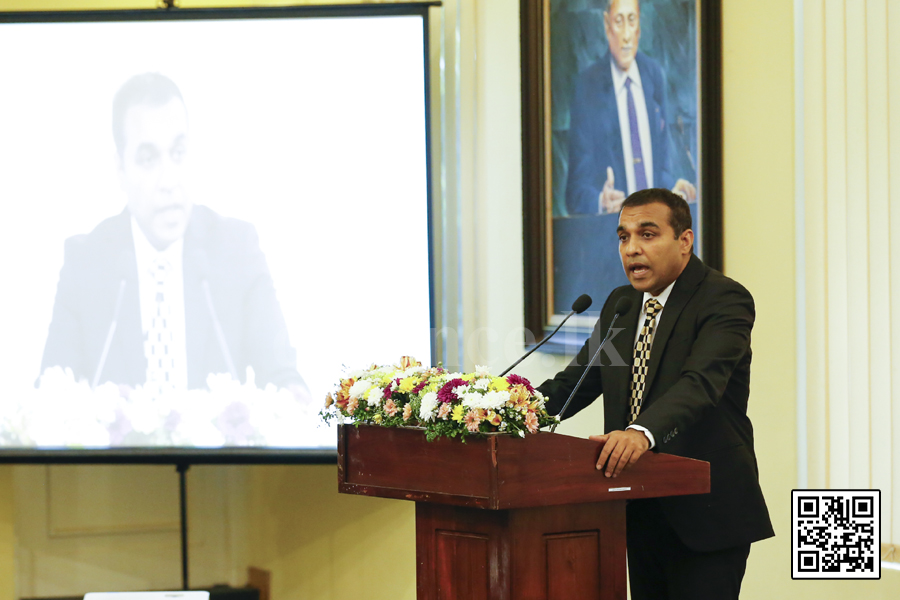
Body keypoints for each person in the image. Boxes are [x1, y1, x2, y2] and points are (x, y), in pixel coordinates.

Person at [537, 188, 773, 599]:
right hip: (637, 507)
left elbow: (700, 384)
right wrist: (508, 411)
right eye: (623, 237)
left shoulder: (723, 299)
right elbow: (578, 381)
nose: (632, 249)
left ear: (684, 240)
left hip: (707, 515)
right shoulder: (622, 304)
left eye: (647, 234)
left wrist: (640, 432)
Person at [40, 72, 311, 402]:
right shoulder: (86, 262)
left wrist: (295, 402)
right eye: (148, 158)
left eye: (179, 153)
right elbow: (51, 396)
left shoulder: (236, 248)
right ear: (120, 170)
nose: (169, 179)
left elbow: (282, 377)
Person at [565, 0, 697, 215]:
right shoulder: (587, 88)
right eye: (619, 22)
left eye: (632, 20)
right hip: (613, 236)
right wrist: (600, 201)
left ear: (640, 27)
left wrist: (671, 194)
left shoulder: (653, 76)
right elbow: (574, 193)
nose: (626, 35)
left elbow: (659, 169)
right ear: (607, 26)